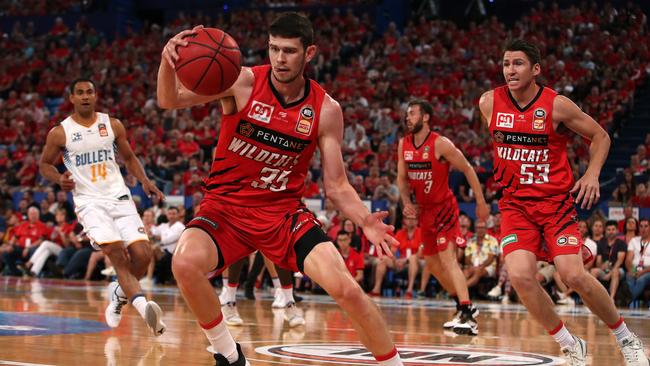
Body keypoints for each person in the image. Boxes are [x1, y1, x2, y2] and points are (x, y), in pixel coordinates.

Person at [158, 13, 402, 366]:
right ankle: (228, 353)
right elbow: (170, 100)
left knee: (348, 290)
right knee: (184, 262)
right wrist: (168, 63)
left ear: (310, 53)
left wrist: (364, 220)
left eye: (289, 51)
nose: (279, 58)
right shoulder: (241, 82)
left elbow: (336, 185)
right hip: (225, 209)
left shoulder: (325, 109)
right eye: (273, 49)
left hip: (282, 215)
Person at [478, 39, 647, 365]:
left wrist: (592, 174)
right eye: (505, 64)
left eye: (518, 64)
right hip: (515, 206)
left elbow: (601, 136)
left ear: (536, 69)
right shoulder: (489, 103)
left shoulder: (556, 105)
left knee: (573, 275)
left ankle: (626, 337)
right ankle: (570, 344)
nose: (510, 70)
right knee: (521, 277)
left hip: (555, 204)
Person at [39, 78, 166, 336]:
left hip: (119, 196)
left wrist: (145, 181)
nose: (85, 96)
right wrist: (58, 178)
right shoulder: (60, 132)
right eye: (80, 93)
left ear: (95, 96)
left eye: (89, 92)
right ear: (72, 98)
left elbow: (129, 158)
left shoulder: (113, 124)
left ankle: (119, 294)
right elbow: (44, 164)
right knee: (117, 255)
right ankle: (145, 309)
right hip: (89, 202)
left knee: (143, 255)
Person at [397, 99, 490, 335]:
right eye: (407, 114)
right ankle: (462, 304)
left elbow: (468, 168)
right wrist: (407, 202)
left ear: (426, 117)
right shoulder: (403, 144)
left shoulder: (441, 144)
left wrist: (480, 202)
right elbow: (401, 178)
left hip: (444, 209)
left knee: (448, 261)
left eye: (412, 114)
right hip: (424, 212)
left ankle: (468, 315)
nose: (408, 118)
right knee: (432, 264)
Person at [590, 220, 627, 301]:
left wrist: (610, 273)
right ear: (605, 231)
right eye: (608, 230)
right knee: (593, 271)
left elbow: (620, 261)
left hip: (618, 270)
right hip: (605, 270)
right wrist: (601, 266)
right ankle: (593, 298)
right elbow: (598, 261)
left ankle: (611, 298)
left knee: (615, 272)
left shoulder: (621, 243)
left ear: (617, 231)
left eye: (613, 229)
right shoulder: (601, 243)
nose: (611, 232)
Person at [626, 218, 650, 304]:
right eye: (641, 226)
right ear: (638, 228)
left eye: (646, 226)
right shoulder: (634, 241)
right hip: (635, 268)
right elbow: (628, 260)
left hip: (648, 270)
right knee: (629, 276)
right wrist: (633, 271)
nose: (643, 229)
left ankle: (628, 301)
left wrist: (642, 272)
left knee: (641, 280)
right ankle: (631, 300)